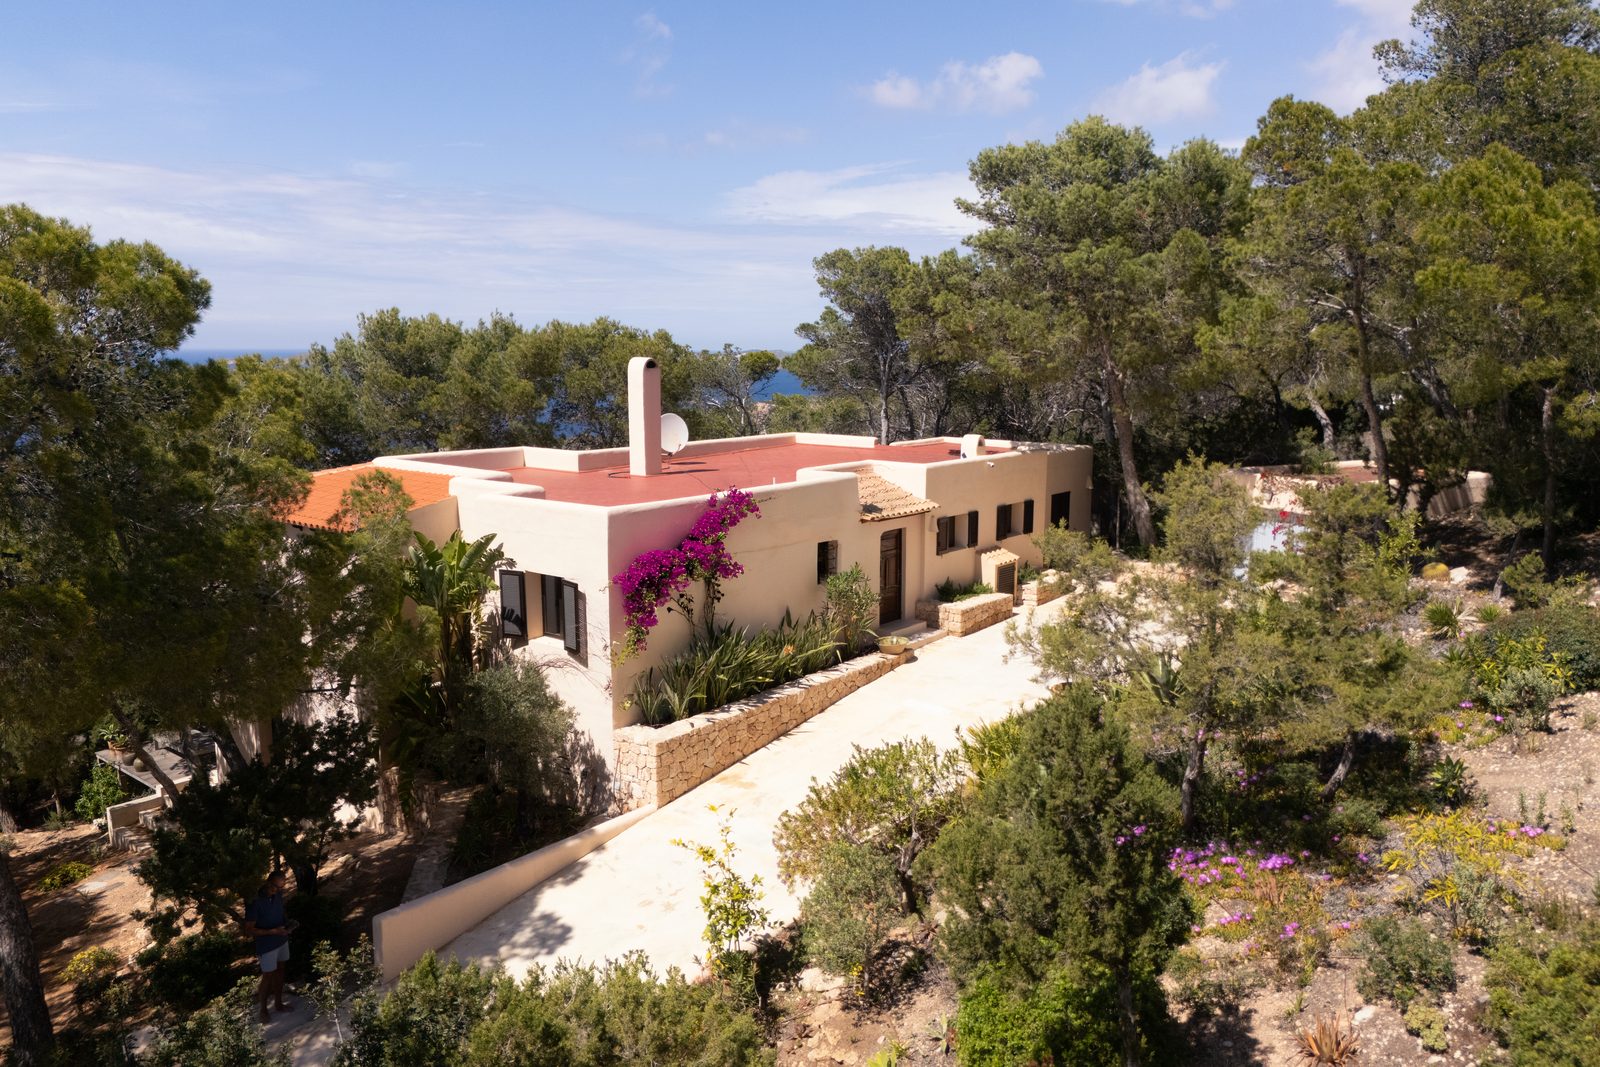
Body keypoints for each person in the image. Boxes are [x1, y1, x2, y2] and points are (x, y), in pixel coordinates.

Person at [242, 869, 295, 1024]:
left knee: (281, 970)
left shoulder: (277, 895)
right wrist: (272, 931)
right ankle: (263, 1010)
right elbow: (249, 930)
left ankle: (278, 1003)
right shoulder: (255, 901)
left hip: (281, 940)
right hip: (266, 945)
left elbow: (280, 913)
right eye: (274, 887)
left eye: (280, 887)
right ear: (267, 882)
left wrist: (288, 925)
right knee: (268, 976)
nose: (276, 890)